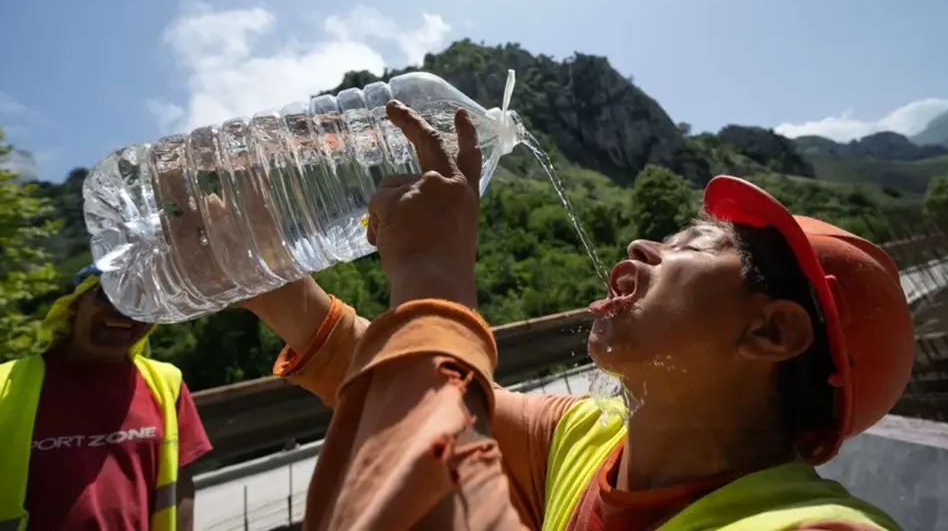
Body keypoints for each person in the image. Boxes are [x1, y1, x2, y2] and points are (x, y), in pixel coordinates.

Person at [246, 101, 914, 530]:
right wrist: (268, 278)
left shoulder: (815, 528)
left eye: (692, 244)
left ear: (770, 331)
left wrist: (430, 278)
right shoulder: (586, 441)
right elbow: (418, 403)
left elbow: (407, 484)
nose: (640, 246)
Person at [0, 265, 213, 531]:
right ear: (74, 306)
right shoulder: (6, 386)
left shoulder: (166, 384)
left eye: (140, 299)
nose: (123, 309)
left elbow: (180, 489)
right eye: (108, 294)